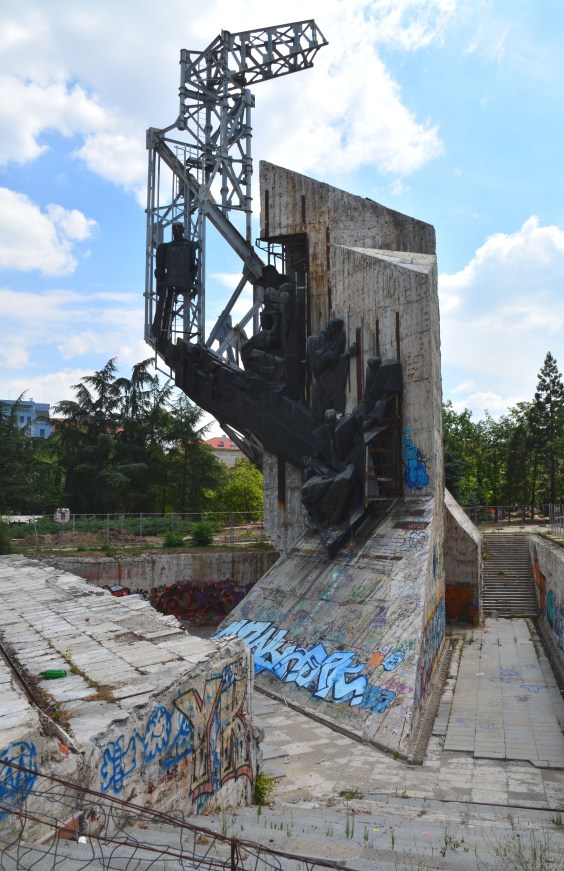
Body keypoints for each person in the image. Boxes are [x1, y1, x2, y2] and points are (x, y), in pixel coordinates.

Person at [152, 222, 198, 338]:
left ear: (182, 230)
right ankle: (160, 333)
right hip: (171, 283)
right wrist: (160, 284)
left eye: (179, 228)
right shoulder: (164, 247)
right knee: (163, 314)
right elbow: (159, 270)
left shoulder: (190, 245)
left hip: (182, 282)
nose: (176, 230)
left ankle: (160, 333)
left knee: (165, 309)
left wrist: (192, 283)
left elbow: (193, 267)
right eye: (174, 228)